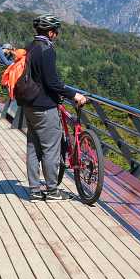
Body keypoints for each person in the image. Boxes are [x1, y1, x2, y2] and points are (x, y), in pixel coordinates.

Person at [22, 14, 87, 200]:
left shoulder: (31, 46)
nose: (56, 35)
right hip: (44, 106)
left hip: (29, 105)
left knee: (33, 147)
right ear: (50, 32)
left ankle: (34, 190)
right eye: (56, 31)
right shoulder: (46, 50)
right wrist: (74, 94)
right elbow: (52, 82)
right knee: (51, 148)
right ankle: (52, 191)